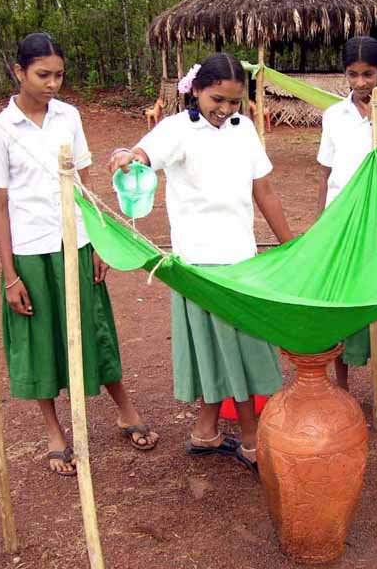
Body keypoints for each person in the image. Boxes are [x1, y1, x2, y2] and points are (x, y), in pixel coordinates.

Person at [109, 53, 293, 474]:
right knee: (234, 355)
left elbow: (263, 190)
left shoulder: (244, 130)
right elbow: (140, 153)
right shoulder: (176, 131)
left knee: (230, 352)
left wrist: (288, 246)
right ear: (195, 90)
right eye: (217, 99)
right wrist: (125, 155)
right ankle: (250, 440)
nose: (225, 109)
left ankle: (206, 431)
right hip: (200, 268)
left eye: (234, 101)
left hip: (242, 261)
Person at [0, 32, 159, 477]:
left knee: (94, 326)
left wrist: (97, 240)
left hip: (76, 244)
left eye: (59, 75)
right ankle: (53, 431)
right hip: (30, 252)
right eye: (43, 75)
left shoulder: (69, 117)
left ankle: (125, 410)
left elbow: (84, 184)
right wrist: (10, 275)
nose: (52, 84)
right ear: (19, 72)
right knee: (39, 338)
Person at [316, 36, 377, 422]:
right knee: (342, 305)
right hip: (341, 221)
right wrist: (322, 223)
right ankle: (340, 389)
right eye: (353, 75)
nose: (360, 83)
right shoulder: (333, 116)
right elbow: (326, 173)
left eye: (368, 74)